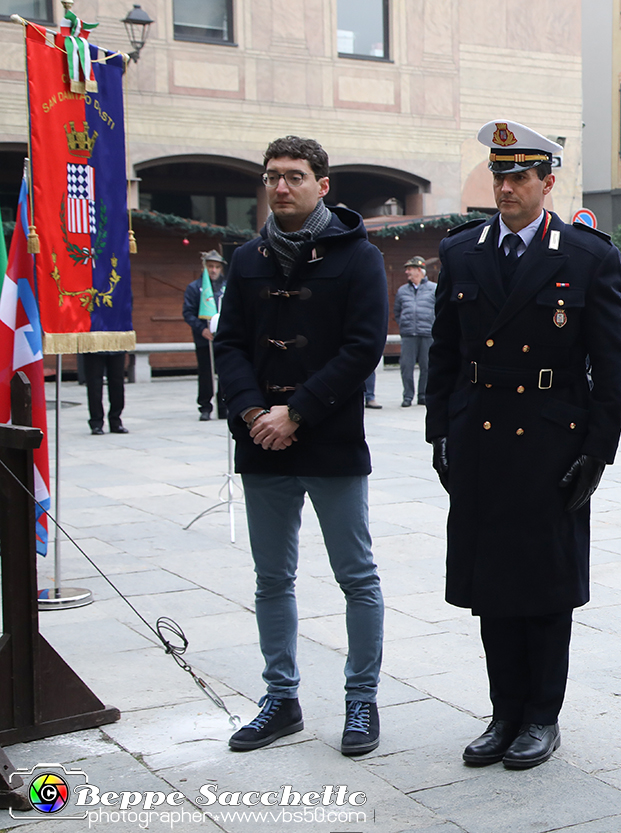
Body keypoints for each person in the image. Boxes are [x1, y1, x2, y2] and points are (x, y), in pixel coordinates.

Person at [426, 119, 621, 770]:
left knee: (544, 586)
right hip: (482, 435)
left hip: (549, 440)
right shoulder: (462, 252)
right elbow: (447, 352)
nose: (507, 185)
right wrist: (440, 432)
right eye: (499, 173)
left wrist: (598, 451)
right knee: (490, 584)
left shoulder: (587, 256)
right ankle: (503, 711)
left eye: (520, 175)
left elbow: (611, 363)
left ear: (548, 180)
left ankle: (541, 715)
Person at [214, 135, 388, 756]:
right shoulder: (247, 258)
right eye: (271, 177)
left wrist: (299, 411)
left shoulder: (358, 256)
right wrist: (255, 412)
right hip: (262, 441)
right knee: (271, 579)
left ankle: (361, 700)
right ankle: (280, 698)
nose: (281, 187)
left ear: (323, 184)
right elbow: (228, 343)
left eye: (293, 176)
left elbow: (363, 346)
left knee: (357, 576)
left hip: (331, 438)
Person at [183, 250, 228, 420]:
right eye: (210, 267)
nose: (214, 270)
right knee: (206, 373)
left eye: (217, 267)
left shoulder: (227, 287)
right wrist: (202, 329)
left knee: (225, 371)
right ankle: (205, 407)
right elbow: (188, 312)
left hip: (224, 337)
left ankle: (224, 406)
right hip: (204, 338)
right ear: (205, 268)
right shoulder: (195, 288)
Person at [394, 255, 436, 406]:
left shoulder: (433, 289)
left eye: (410, 269)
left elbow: (439, 310)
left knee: (427, 366)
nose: (407, 273)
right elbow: (397, 312)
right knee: (406, 366)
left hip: (427, 333)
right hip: (408, 334)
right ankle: (407, 396)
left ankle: (423, 395)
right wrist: (404, 325)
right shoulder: (402, 291)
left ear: (419, 270)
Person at [82, 351, 127, 435]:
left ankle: (116, 421)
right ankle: (96, 423)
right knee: (94, 385)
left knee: (117, 383)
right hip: (94, 347)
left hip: (116, 345)